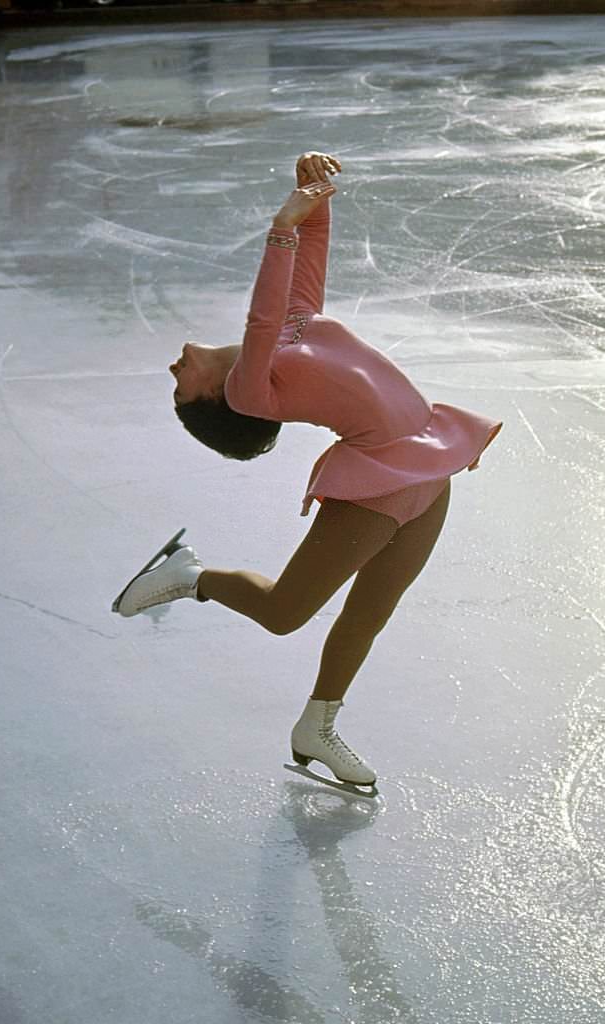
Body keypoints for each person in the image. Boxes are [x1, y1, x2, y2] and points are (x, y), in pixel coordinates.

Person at [112, 151, 502, 792]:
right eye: (180, 390)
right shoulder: (250, 389)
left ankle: (317, 727)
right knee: (286, 612)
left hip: (431, 467)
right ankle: (192, 577)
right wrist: (280, 226)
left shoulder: (297, 325)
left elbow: (305, 259)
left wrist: (310, 196)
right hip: (381, 480)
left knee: (371, 612)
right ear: (217, 401)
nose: (173, 371)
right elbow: (260, 317)